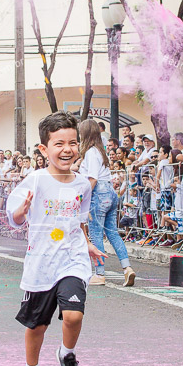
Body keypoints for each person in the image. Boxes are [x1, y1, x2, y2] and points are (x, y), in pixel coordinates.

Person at [6, 112, 107, 366]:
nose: (67, 149)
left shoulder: (82, 185)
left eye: (73, 143)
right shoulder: (35, 180)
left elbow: (79, 219)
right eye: (58, 143)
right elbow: (13, 215)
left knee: (73, 315)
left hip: (72, 258)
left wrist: (86, 243)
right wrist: (20, 213)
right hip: (41, 264)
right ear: (43, 149)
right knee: (37, 325)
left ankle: (67, 353)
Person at [77, 118, 136, 286]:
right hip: (110, 192)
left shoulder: (91, 153)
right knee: (112, 232)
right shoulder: (100, 151)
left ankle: (100, 273)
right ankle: (127, 268)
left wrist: (81, 197)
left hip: (99, 193)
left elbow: (93, 179)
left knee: (96, 234)